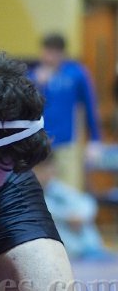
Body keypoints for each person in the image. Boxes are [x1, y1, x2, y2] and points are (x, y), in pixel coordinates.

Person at [29, 33, 102, 190]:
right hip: (39, 143)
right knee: (39, 190)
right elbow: (24, 106)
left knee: (68, 189)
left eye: (52, 53)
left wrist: (95, 139)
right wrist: (37, 84)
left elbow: (90, 106)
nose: (48, 57)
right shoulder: (33, 75)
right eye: (45, 52)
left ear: (61, 53)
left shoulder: (76, 74)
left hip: (66, 143)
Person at [34, 153, 112, 261]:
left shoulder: (55, 187)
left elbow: (86, 202)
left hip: (90, 249)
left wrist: (79, 216)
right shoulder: (31, 194)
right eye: (42, 169)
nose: (48, 172)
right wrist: (68, 217)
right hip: (67, 253)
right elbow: (47, 210)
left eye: (50, 167)